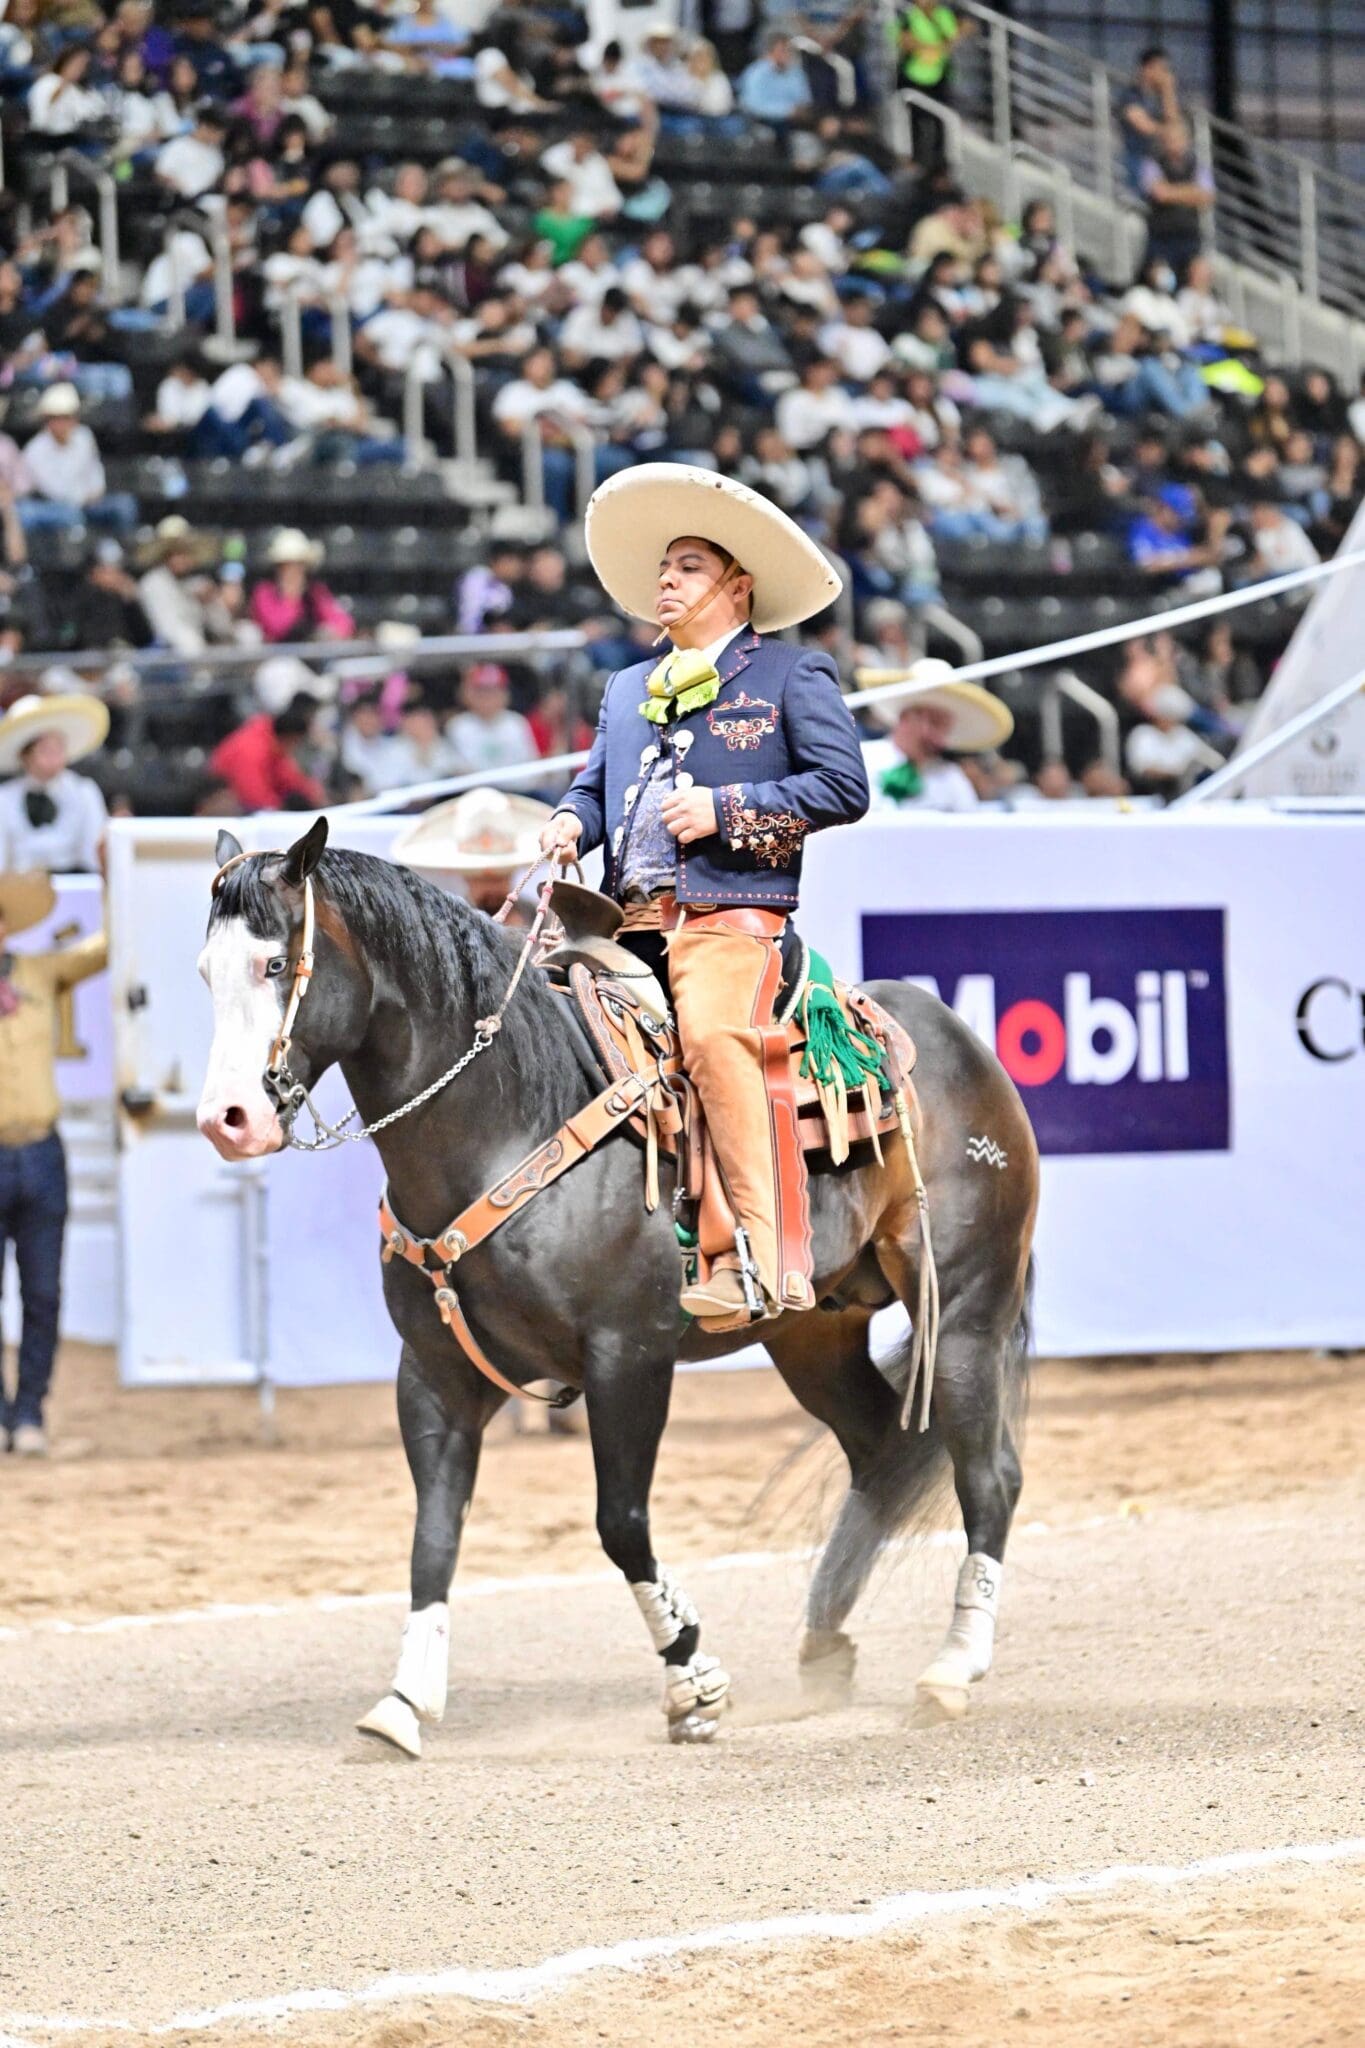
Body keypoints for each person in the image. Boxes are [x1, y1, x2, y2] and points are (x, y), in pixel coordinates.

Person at [541, 464, 861, 1326]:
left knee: (717, 1038)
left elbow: (843, 787)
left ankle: (756, 1255)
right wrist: (571, 823)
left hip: (730, 917)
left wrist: (726, 808)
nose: (665, 581)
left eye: (686, 566)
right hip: (623, 920)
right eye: (664, 569)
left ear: (736, 585)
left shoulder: (792, 675)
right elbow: (593, 785)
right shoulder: (623, 690)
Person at [0, 869, 107, 1454]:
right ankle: (4, 1415)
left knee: (43, 1293)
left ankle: (29, 1412)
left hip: (40, 1149)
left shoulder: (40, 972)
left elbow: (107, 948)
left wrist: (116, 873)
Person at [860, 658, 1012, 811]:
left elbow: (970, 829)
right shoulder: (862, 759)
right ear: (905, 717)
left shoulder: (952, 779)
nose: (937, 737)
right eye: (934, 722)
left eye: (945, 727)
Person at [393, 787, 555, 920]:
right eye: (482, 879)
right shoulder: (446, 924)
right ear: (466, 877)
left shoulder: (541, 919)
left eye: (499, 876)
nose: (492, 887)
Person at [0, 692, 110, 874]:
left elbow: (93, 856)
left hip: (75, 888)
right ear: (25, 755)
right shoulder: (4, 798)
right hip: (18, 891)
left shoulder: (84, 792)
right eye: (45, 750)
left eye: (59, 748)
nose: (54, 757)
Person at [209, 690, 328, 812]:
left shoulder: (273, 740)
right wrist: (282, 810)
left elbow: (287, 776)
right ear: (292, 739)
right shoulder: (251, 750)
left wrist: (311, 792)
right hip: (225, 802)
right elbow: (254, 796)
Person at [249, 529, 354, 643]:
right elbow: (277, 628)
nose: (293, 571)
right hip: (274, 656)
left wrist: (329, 632)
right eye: (287, 566)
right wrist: (293, 598)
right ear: (278, 568)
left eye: (298, 566)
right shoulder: (264, 592)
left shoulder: (315, 592)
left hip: (312, 656)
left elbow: (343, 622)